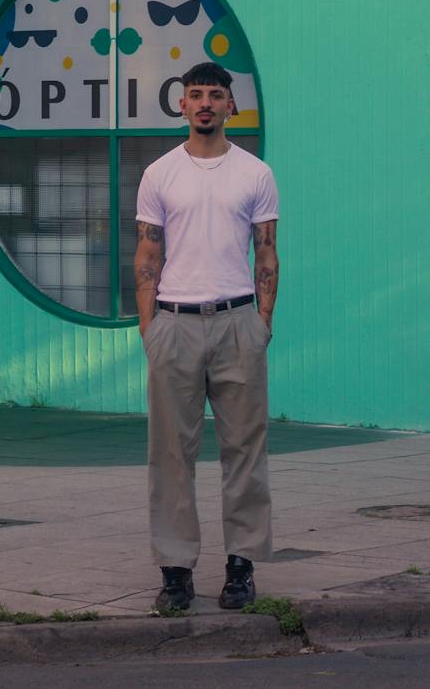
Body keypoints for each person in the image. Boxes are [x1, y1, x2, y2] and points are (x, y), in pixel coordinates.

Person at [134, 61, 280, 612]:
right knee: (170, 452)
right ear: (181, 104)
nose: (204, 104)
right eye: (194, 95)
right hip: (174, 322)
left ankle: (241, 566)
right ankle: (176, 571)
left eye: (214, 95)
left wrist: (262, 322)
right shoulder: (160, 174)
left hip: (238, 321)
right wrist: (150, 328)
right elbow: (149, 252)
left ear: (229, 106)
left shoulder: (255, 173)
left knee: (245, 448)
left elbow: (266, 251)